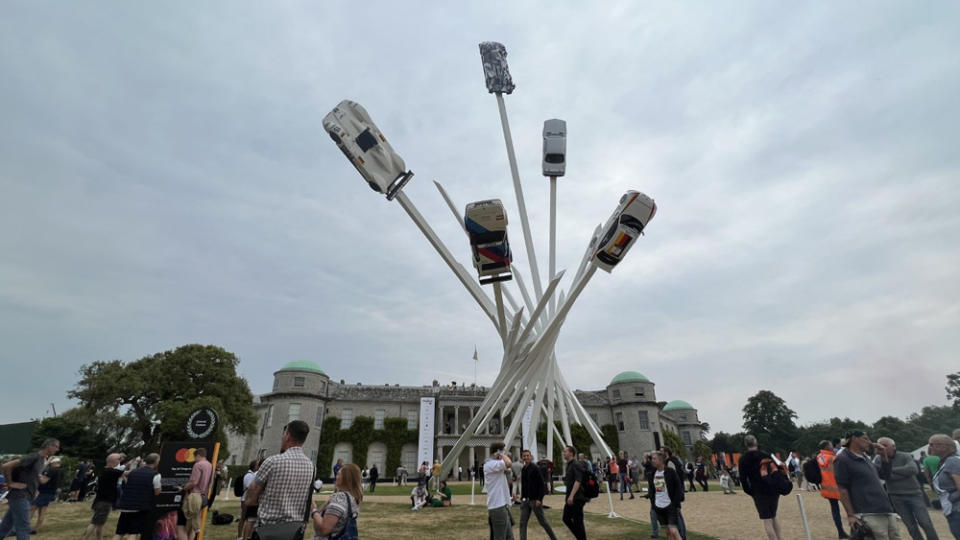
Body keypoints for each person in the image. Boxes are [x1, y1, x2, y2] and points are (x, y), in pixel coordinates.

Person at [246, 420, 316, 528]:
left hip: (269, 527)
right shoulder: (311, 466)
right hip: (294, 529)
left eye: (284, 434)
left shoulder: (272, 461)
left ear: (287, 436)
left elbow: (252, 495)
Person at [834, 430, 902, 540]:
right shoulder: (843, 459)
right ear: (854, 438)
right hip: (868, 512)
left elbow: (885, 475)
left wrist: (884, 456)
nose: (870, 442)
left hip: (885, 508)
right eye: (865, 438)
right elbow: (842, 489)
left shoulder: (866, 458)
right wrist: (851, 515)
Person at [876, 436, 938, 540]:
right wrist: (901, 472)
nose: (882, 448)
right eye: (880, 446)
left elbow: (913, 470)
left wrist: (890, 469)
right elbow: (882, 476)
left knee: (925, 522)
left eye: (885, 445)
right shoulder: (878, 459)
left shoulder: (905, 455)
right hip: (895, 496)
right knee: (910, 526)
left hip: (914, 493)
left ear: (893, 446)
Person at [0, 438, 60, 540]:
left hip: (26, 496)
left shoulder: (41, 459)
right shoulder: (34, 457)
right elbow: (6, 466)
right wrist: (11, 483)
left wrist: (35, 489)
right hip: (20, 495)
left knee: (5, 526)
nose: (58, 449)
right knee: (24, 527)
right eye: (56, 446)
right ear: (49, 446)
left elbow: (31, 477)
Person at [738, 434, 783, 540]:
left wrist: (749, 491)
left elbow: (743, 479)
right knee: (773, 516)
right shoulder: (766, 455)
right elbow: (776, 470)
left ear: (746, 444)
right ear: (756, 442)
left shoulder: (743, 459)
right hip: (771, 488)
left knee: (767, 519)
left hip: (758, 491)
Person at [113, 453, 162, 540]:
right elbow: (157, 492)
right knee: (133, 533)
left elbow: (125, 478)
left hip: (126, 506)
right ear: (156, 462)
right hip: (140, 507)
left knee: (119, 532)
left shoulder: (133, 472)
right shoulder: (155, 474)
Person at [81, 453, 126, 540]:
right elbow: (125, 472)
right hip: (104, 502)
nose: (120, 461)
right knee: (94, 522)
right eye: (119, 459)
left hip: (100, 500)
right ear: (113, 461)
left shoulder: (106, 470)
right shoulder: (111, 471)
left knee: (100, 523)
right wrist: (134, 463)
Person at [311, 463, 361, 540]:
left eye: (338, 474)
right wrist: (325, 505)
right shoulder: (352, 498)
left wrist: (313, 509)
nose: (336, 477)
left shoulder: (339, 499)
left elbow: (324, 529)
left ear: (346, 478)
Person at [518, 449, 556, 540]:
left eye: (528, 455)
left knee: (543, 522)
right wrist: (522, 497)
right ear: (522, 458)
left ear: (530, 457)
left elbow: (541, 485)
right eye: (524, 456)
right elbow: (524, 485)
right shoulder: (523, 469)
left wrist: (540, 499)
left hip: (535, 500)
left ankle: (554, 538)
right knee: (522, 523)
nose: (526, 457)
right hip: (526, 500)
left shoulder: (535, 468)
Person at [928, 433, 960, 538]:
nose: (930, 447)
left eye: (932, 444)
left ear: (944, 446)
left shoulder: (952, 461)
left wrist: (951, 499)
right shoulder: (946, 462)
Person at [817, 440, 850, 539]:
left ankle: (840, 531)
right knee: (849, 509)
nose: (832, 446)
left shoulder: (819, 457)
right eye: (831, 445)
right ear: (827, 447)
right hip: (838, 487)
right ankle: (856, 530)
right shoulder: (833, 458)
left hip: (827, 488)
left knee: (835, 511)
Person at [179, 446, 212, 540]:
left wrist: (183, 488)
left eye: (194, 457)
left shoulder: (198, 465)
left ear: (198, 455)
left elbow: (194, 482)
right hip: (203, 496)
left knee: (189, 523)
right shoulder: (209, 465)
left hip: (194, 496)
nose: (194, 460)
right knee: (194, 522)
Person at [648, 452, 683, 540]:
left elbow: (678, 487)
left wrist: (675, 503)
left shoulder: (670, 472)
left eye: (654, 459)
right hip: (658, 506)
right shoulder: (652, 473)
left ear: (661, 460)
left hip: (670, 505)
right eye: (652, 459)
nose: (652, 461)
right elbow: (652, 489)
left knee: (673, 530)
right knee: (667, 531)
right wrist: (653, 503)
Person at [484, 442, 514, 540]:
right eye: (502, 450)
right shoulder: (491, 464)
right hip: (497, 506)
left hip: (502, 505)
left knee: (509, 537)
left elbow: (508, 470)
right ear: (497, 452)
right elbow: (509, 463)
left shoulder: (495, 465)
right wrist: (502, 455)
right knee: (500, 537)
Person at [31, 455, 63, 534]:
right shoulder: (60, 470)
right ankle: (36, 529)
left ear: (53, 462)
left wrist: (38, 476)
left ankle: (23, 527)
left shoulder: (52, 470)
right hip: (51, 492)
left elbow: (43, 481)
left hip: (44, 492)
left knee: (31, 509)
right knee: (42, 511)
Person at [561, 445, 586, 540]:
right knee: (566, 518)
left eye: (565, 451)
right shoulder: (569, 464)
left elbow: (578, 481)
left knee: (578, 522)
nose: (564, 453)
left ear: (571, 453)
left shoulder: (576, 464)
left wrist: (571, 496)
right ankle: (580, 538)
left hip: (577, 498)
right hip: (571, 497)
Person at [236, 459, 259, 540]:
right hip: (245, 499)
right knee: (243, 517)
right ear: (254, 466)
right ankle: (239, 536)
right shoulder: (248, 475)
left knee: (249, 518)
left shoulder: (254, 474)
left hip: (249, 499)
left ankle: (247, 536)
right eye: (257, 465)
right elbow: (248, 487)